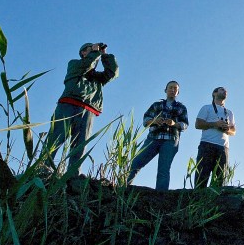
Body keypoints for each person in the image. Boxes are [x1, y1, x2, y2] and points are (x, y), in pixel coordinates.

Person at [44, 42, 118, 171]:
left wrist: (105, 55)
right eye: (91, 49)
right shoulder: (74, 64)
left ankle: (73, 175)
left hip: (88, 109)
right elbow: (85, 66)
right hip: (68, 105)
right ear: (83, 53)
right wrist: (95, 53)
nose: (95, 51)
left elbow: (112, 73)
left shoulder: (97, 77)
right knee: (55, 139)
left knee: (80, 146)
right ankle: (43, 169)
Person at [127, 81, 189, 190]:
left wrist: (174, 124)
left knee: (163, 170)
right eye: (170, 88)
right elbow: (145, 121)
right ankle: (123, 187)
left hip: (170, 140)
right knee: (136, 163)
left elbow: (185, 125)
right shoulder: (156, 105)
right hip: (153, 138)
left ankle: (160, 196)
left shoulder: (181, 108)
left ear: (178, 92)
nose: (173, 90)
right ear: (165, 90)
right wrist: (155, 121)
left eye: (175, 88)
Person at [193, 86, 236, 188]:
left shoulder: (229, 112)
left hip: (223, 147)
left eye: (226, 91)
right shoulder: (206, 108)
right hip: (207, 144)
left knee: (221, 178)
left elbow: (233, 131)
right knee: (202, 175)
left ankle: (218, 201)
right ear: (214, 93)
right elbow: (198, 124)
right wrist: (215, 124)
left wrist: (226, 129)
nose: (225, 91)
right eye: (222, 89)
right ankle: (198, 200)